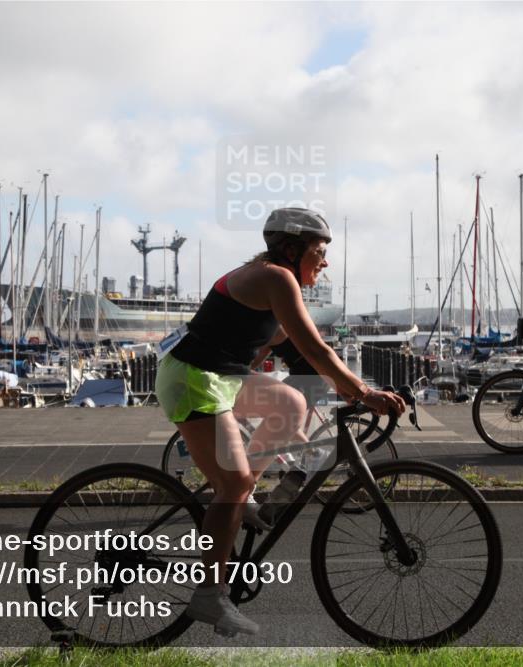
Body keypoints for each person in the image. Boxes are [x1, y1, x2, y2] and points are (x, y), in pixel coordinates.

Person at [154, 208, 406, 636]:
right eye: (319, 251)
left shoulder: (272, 281)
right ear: (291, 249)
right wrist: (365, 394)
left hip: (218, 376)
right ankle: (209, 597)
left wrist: (341, 390)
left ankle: (242, 498)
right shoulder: (276, 278)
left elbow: (294, 355)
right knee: (232, 486)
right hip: (192, 379)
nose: (324, 262)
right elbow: (318, 352)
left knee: (289, 403)